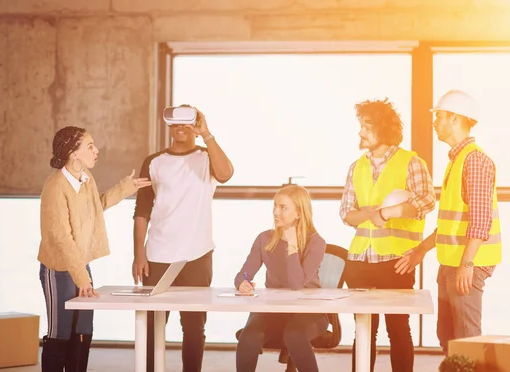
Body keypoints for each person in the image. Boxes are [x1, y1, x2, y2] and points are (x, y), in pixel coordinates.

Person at [394, 89, 501, 354]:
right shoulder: (456, 161)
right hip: (451, 263)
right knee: (448, 337)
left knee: (466, 341)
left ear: (456, 119)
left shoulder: (474, 160)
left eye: (439, 116)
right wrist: (421, 249)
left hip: (466, 266)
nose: (434, 122)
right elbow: (451, 224)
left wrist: (468, 263)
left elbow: (480, 220)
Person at [38, 126, 151, 372]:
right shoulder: (55, 187)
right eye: (89, 146)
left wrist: (125, 187)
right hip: (58, 269)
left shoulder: (85, 179)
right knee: (61, 332)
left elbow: (95, 206)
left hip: (81, 265)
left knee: (83, 330)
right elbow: (61, 238)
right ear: (73, 153)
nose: (96, 150)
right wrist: (82, 278)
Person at [132, 106, 234, 372]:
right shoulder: (153, 162)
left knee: (193, 327)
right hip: (157, 254)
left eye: (187, 123)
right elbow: (142, 210)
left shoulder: (206, 157)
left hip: (197, 255)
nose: (180, 128)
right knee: (153, 326)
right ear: (169, 126)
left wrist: (207, 134)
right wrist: (138, 255)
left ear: (194, 125)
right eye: (175, 123)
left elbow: (225, 174)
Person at [339, 98, 436, 372]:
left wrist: (389, 212)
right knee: (364, 330)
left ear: (383, 128)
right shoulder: (356, 167)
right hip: (359, 262)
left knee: (398, 329)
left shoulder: (411, 162)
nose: (361, 132)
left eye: (367, 125)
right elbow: (346, 213)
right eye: (360, 125)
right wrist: (369, 214)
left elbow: (427, 201)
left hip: (396, 262)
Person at [234, 184, 329, 372]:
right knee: (249, 336)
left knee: (294, 334)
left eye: (283, 207)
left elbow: (296, 285)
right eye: (275, 206)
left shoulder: (316, 242)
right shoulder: (264, 239)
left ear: (299, 213)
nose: (276, 212)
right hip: (274, 309)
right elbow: (244, 273)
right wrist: (242, 282)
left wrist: (292, 245)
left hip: (309, 313)